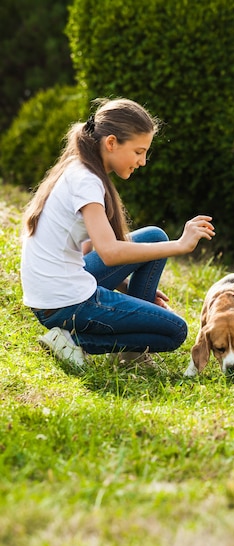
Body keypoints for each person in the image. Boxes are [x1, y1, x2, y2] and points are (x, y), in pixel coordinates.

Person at [21, 97, 215, 368]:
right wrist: (180, 245)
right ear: (111, 143)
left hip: (51, 293)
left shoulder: (80, 167)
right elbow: (109, 252)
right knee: (174, 331)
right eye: (138, 151)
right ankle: (72, 341)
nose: (143, 161)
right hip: (64, 303)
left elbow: (89, 250)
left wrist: (129, 293)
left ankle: (131, 351)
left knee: (154, 236)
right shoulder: (87, 180)